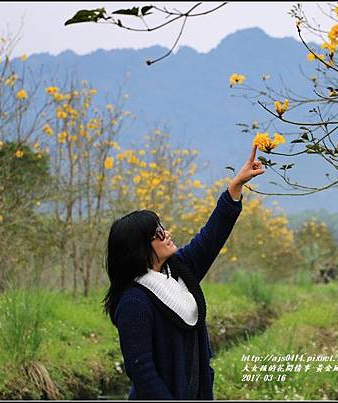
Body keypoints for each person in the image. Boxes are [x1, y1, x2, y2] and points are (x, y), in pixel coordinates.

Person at [104, 145, 265, 400]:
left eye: (163, 228)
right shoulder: (134, 302)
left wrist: (235, 187)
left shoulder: (179, 270)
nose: (166, 234)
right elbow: (142, 371)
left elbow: (211, 237)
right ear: (139, 247)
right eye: (157, 233)